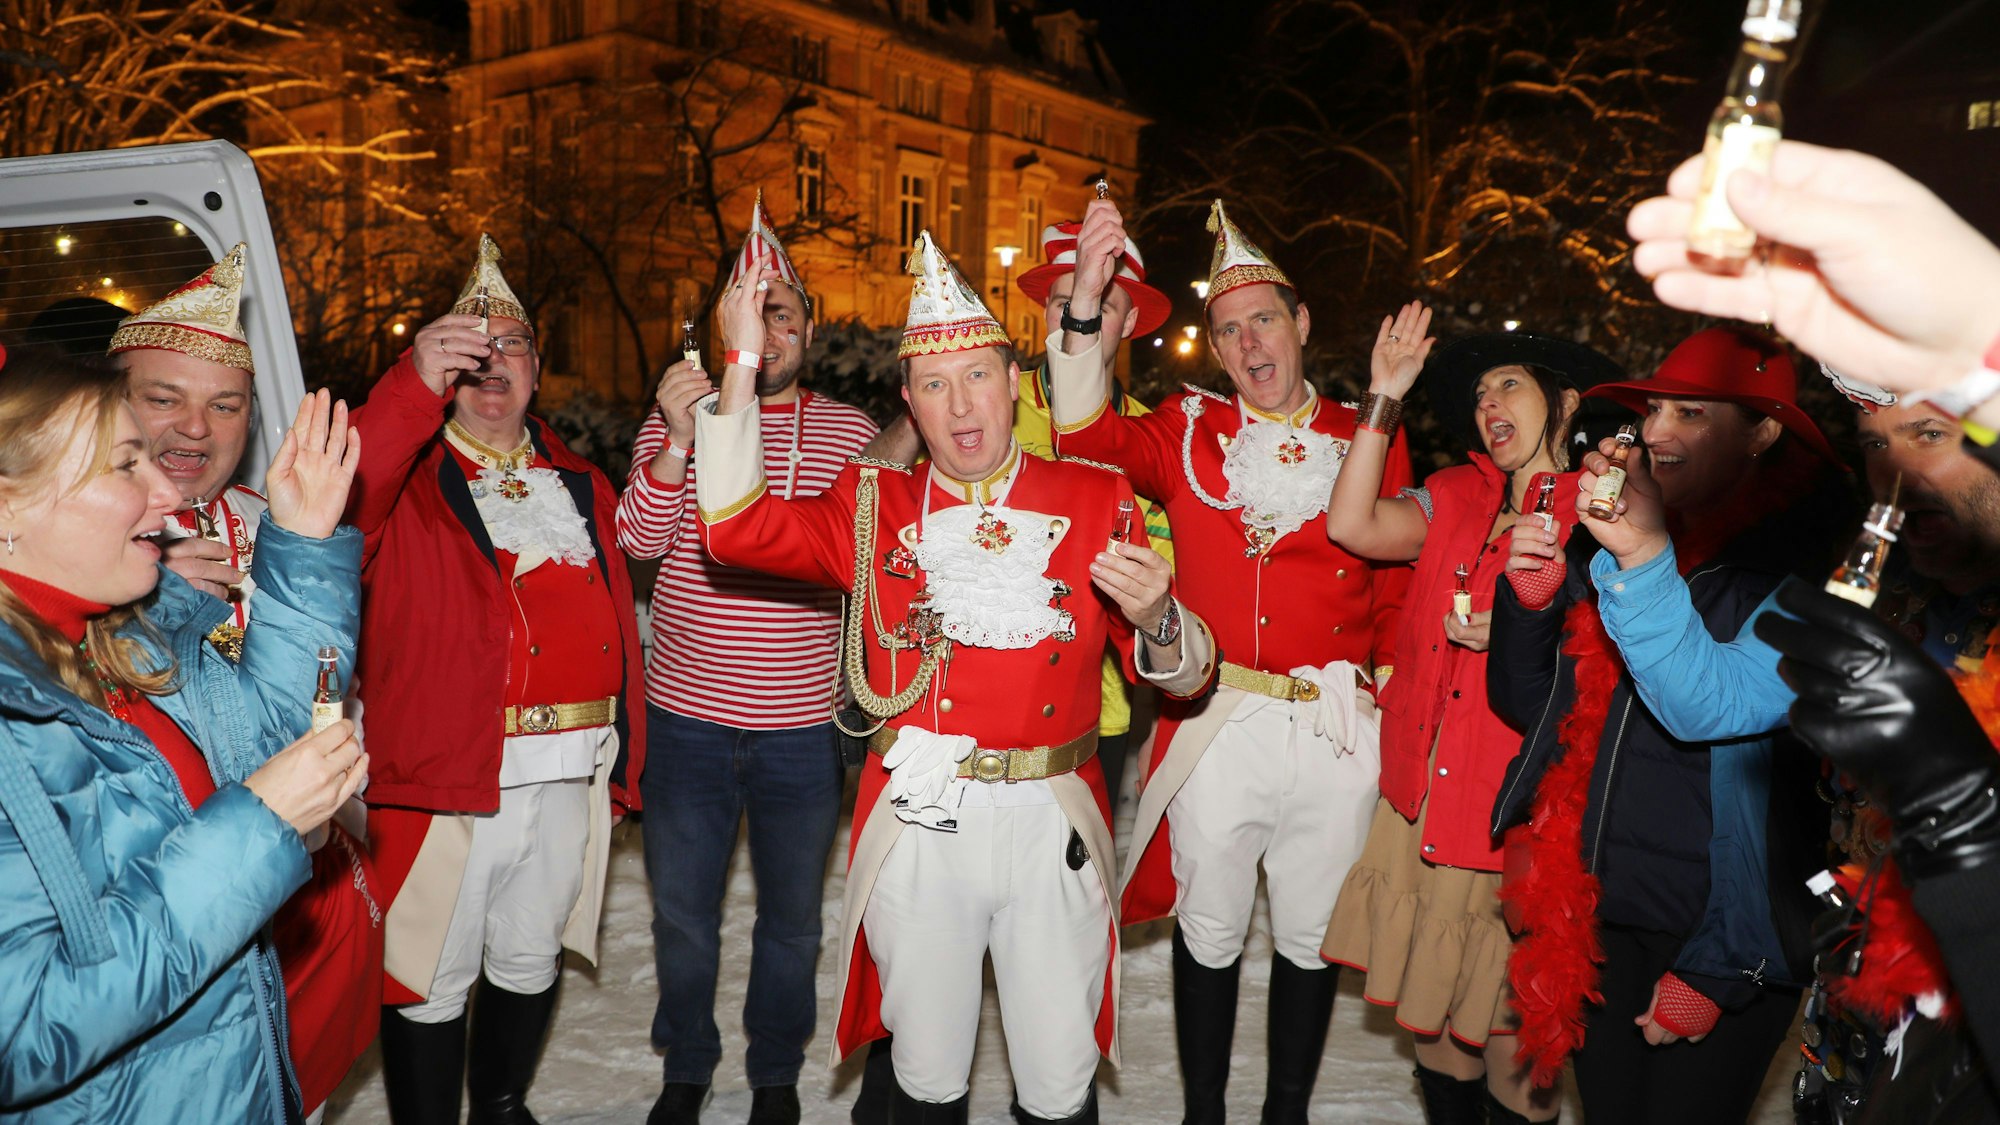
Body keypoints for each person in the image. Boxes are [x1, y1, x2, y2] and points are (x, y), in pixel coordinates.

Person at [692, 231, 1216, 1124]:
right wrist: (741, 361)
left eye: (978, 376)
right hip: (921, 826)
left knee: (1058, 1082)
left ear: (1015, 383)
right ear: (909, 402)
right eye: (934, 385)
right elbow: (733, 530)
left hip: (1053, 821)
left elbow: (1185, 674)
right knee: (928, 1078)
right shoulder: (870, 506)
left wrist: (1160, 616)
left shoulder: (1096, 497)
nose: (960, 405)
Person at [1045, 197, 1410, 1124]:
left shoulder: (1366, 431)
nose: (1249, 343)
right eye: (1229, 329)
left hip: (1334, 724)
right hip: (1215, 721)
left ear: (1301, 325)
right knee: (1207, 929)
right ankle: (1202, 1112)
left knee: (1308, 933)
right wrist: (1086, 305)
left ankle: (1284, 1112)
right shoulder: (1186, 428)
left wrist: (1395, 693)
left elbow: (1397, 586)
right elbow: (1086, 434)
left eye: (1264, 321)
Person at [1489, 327, 1847, 1123]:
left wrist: (1725, 967)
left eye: (1690, 412)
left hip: (1721, 933)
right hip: (1601, 919)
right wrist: (1534, 603)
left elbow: (1778, 791)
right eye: (1653, 410)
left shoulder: (1805, 575)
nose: (1654, 432)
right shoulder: (1632, 543)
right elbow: (1535, 712)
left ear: (1763, 434)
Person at [0, 345, 366, 1124]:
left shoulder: (117, 636)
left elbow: (260, 740)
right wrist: (256, 829)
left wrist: (300, 541)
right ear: (6, 507)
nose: (168, 492)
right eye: (126, 463)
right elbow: (23, 1031)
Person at [348, 234, 647, 1125]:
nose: (490, 365)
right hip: (454, 773)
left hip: (569, 770)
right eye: (469, 353)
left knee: (530, 953)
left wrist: (624, 760)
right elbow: (345, 486)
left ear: (537, 370)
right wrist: (410, 381)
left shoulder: (579, 479)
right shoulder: (405, 480)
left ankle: (504, 1105)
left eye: (509, 347)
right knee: (430, 970)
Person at [1320, 302, 1627, 1124]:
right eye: (1482, 391)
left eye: (1511, 385)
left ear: (1563, 403)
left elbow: (1620, 663)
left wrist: (1535, 630)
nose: (1490, 404)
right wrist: (1384, 397)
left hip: (1511, 828)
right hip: (1419, 805)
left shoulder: (1605, 513)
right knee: (1432, 1032)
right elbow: (1350, 523)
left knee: (1512, 1049)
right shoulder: (1455, 494)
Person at [617, 194, 878, 1125]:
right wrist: (681, 440)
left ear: (808, 329)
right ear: (721, 324)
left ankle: (775, 1076)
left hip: (802, 730)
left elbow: (871, 563)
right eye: (750, 309)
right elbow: (638, 541)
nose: (768, 329)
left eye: (785, 311)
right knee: (683, 920)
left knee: (794, 922)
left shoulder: (850, 434)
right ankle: (686, 1063)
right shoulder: (676, 414)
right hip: (687, 722)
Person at [106, 243, 383, 1120]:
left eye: (224, 404)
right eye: (165, 399)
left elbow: (319, 707)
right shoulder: (51, 542)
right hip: (145, 938)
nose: (196, 428)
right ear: (109, 405)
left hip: (298, 901)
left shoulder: (287, 524)